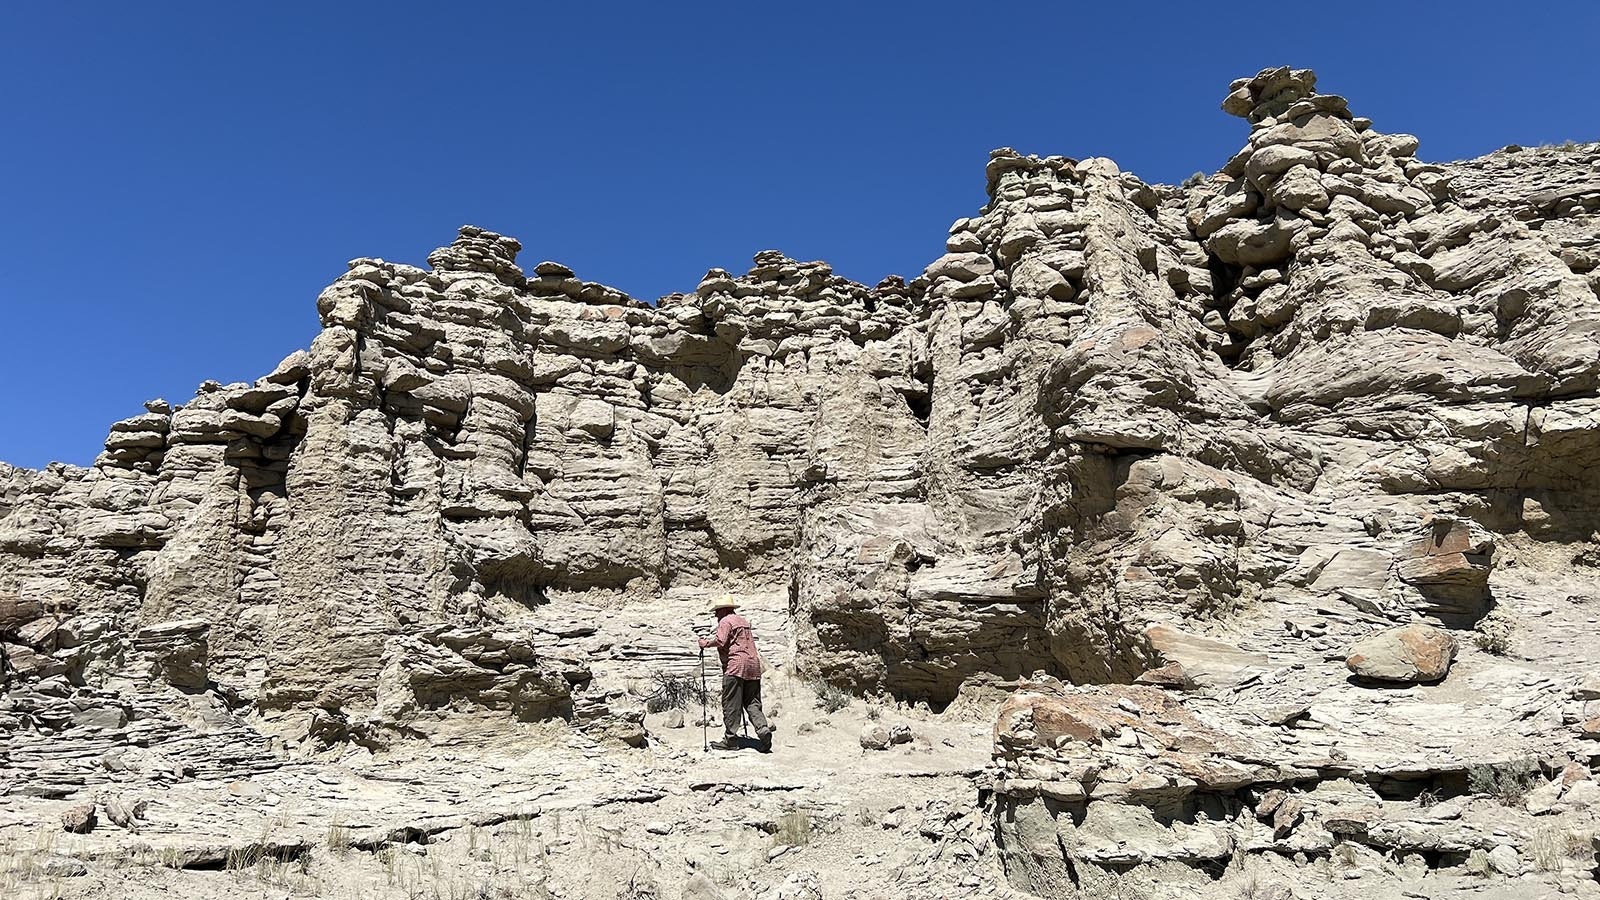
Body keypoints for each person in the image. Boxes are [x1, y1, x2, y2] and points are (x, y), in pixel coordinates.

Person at [697, 596, 774, 752]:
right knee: (752, 701)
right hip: (753, 665)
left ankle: (731, 740)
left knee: (731, 703)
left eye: (717, 611)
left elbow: (720, 641)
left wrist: (705, 644)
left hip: (735, 666)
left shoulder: (726, 621)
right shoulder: (743, 621)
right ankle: (762, 729)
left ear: (724, 610)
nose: (716, 615)